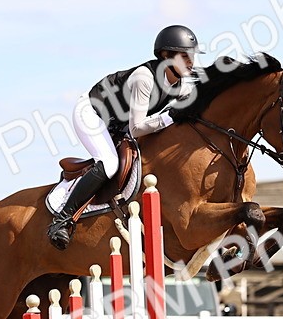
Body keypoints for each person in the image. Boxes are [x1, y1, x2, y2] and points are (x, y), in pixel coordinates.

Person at [47, 24, 204, 249]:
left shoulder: (178, 86)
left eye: (192, 56)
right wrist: (171, 117)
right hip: (91, 113)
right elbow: (138, 128)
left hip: (117, 124)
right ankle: (61, 220)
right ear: (166, 56)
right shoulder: (144, 78)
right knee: (109, 163)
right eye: (185, 56)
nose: (191, 62)